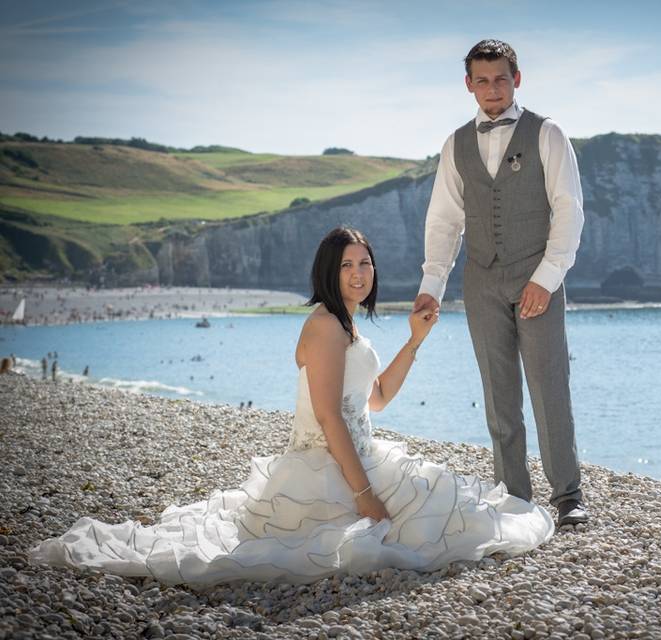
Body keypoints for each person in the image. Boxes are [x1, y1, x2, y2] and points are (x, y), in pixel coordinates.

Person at [28, 227, 553, 585]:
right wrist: (365, 496)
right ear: (329, 271)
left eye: (365, 263)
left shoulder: (348, 326)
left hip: (360, 450)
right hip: (328, 465)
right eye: (347, 264)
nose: (359, 272)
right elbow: (328, 418)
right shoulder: (324, 326)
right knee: (418, 525)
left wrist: (414, 340)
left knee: (452, 511)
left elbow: (377, 400)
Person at [413, 39, 588, 527]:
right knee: (498, 390)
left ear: (518, 78)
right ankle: (514, 495)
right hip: (481, 280)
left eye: (501, 78)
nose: (493, 89)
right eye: (482, 80)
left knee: (549, 385)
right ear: (469, 84)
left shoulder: (547, 134)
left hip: (538, 278)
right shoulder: (455, 145)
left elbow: (570, 213)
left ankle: (568, 494)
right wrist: (433, 282)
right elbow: (443, 220)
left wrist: (547, 279)